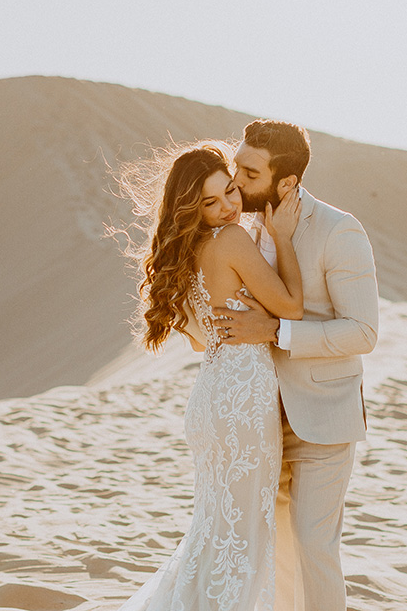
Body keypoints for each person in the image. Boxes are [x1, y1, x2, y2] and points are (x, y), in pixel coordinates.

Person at [115, 139, 303, 610]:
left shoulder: (187, 252)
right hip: (242, 399)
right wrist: (282, 237)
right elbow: (293, 307)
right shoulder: (234, 240)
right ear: (191, 208)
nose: (227, 209)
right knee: (243, 538)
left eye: (230, 194)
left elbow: (201, 339)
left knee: (214, 532)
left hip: (210, 398)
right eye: (210, 202)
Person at [212, 120, 379, 611]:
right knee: (274, 549)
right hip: (256, 419)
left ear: (287, 182)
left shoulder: (338, 230)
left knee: (313, 544)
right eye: (235, 165)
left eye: (249, 170)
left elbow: (363, 332)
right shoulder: (233, 227)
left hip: (322, 418)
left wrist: (278, 332)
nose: (235, 180)